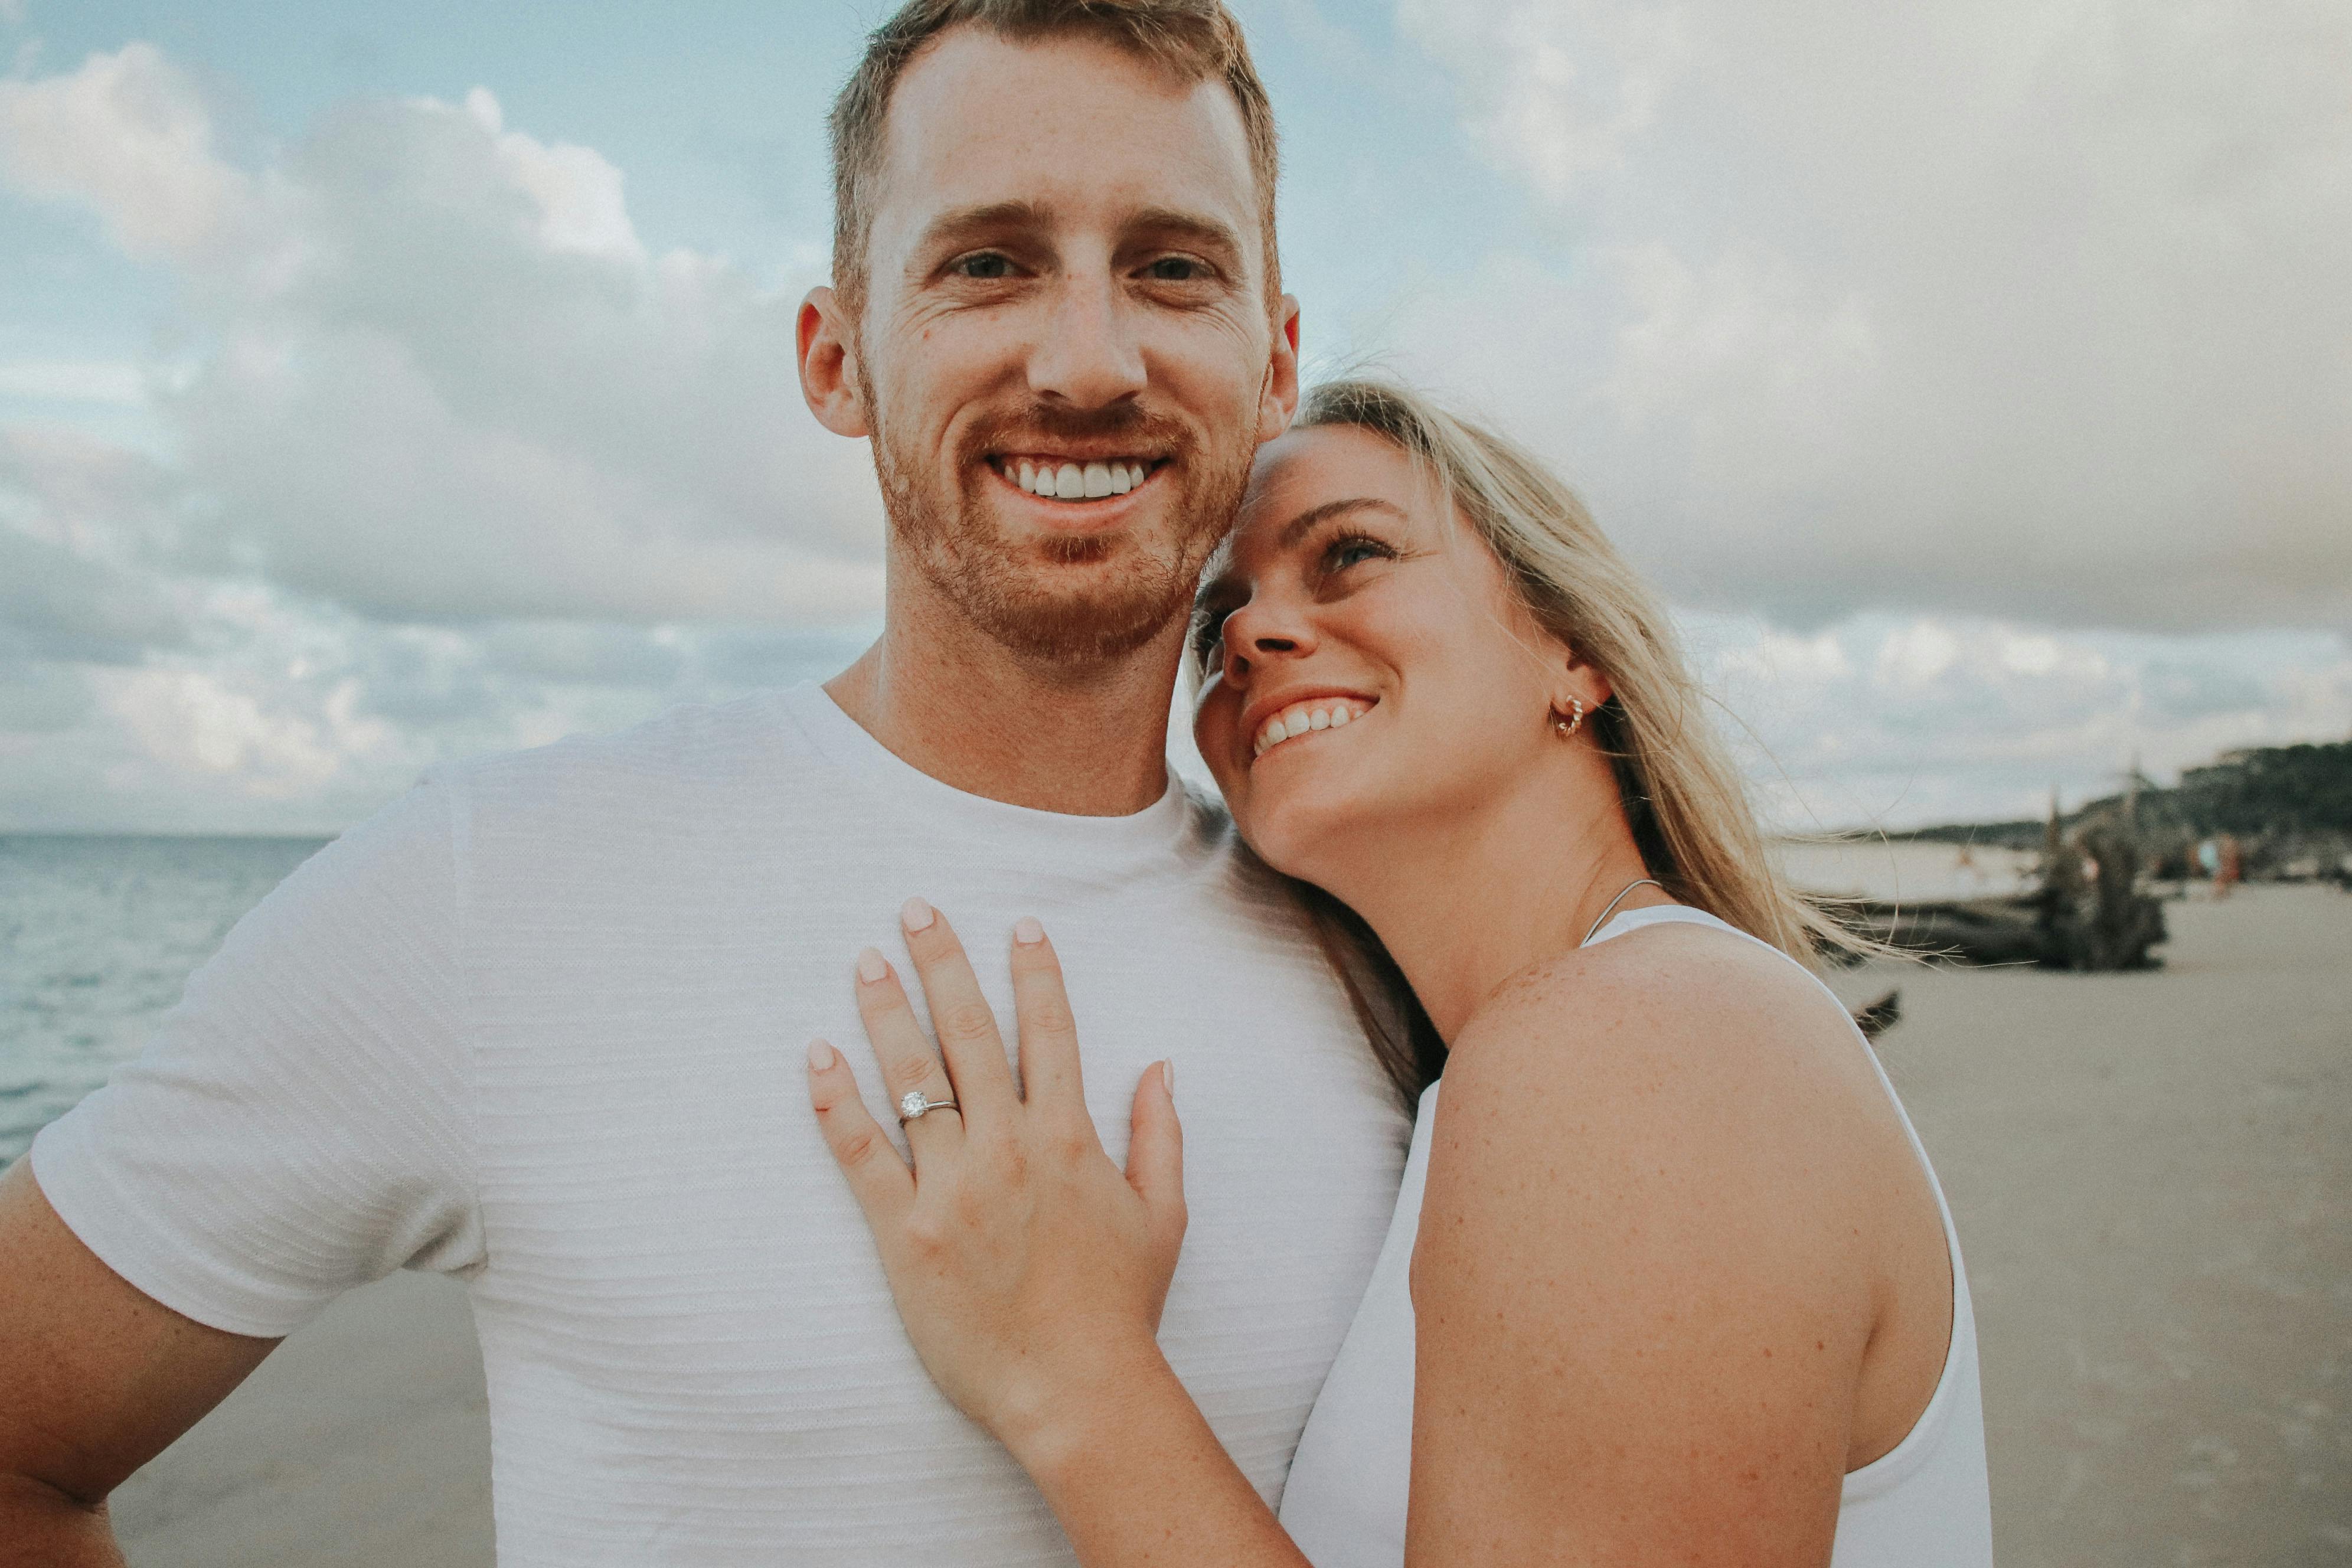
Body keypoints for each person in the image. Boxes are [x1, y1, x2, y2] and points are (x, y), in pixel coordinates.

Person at [0, 5, 1417, 1563]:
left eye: (1171, 269)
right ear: (838, 358)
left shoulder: (1389, 958)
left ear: (1275, 357)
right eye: (987, 264)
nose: (1089, 360)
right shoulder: (493, 884)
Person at [809, 380, 1997, 1564]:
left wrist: (1073, 1373)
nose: (1248, 636)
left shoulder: (1636, 1040)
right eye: (1221, 620)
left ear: (1574, 652)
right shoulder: (1535, 1064)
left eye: (1351, 555)